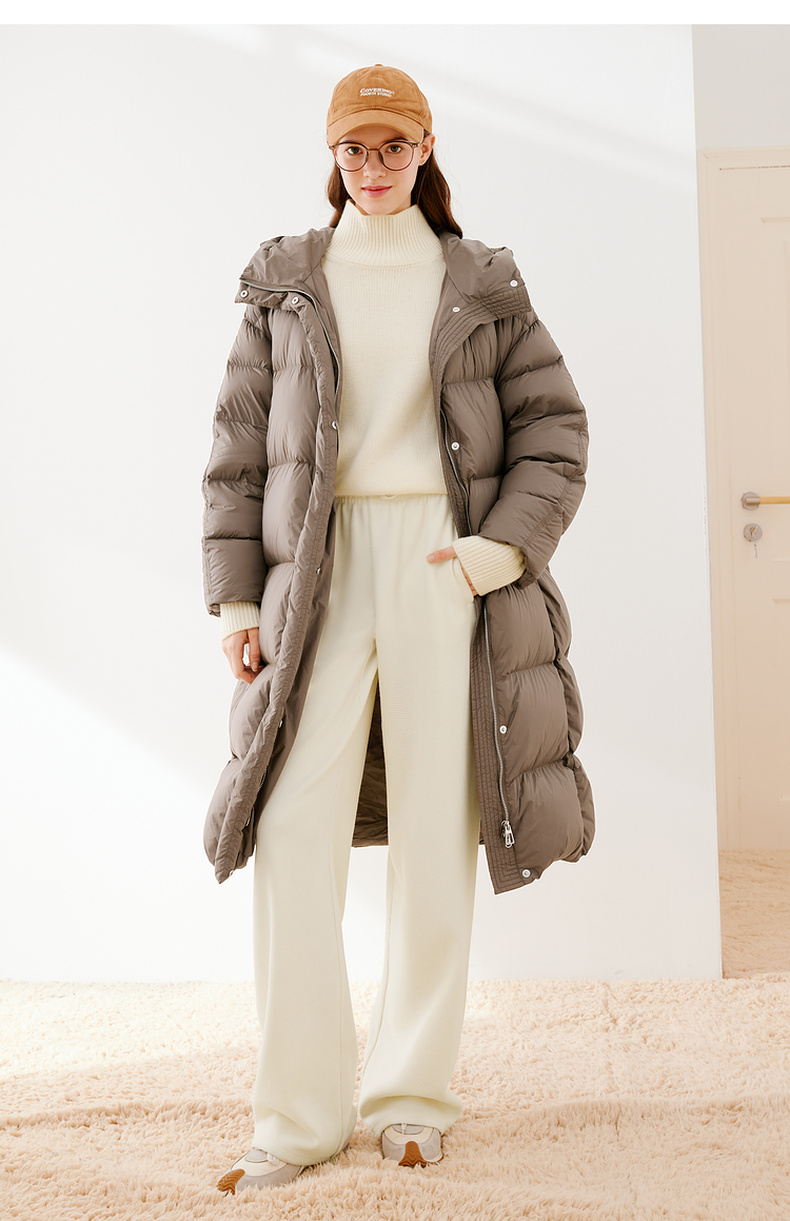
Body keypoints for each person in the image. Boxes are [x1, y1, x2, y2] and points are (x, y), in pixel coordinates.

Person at [201, 63, 594, 1194]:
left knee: (436, 827)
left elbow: (555, 429)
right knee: (291, 826)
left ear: (425, 149)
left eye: (392, 147)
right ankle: (296, 1115)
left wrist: (497, 552)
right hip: (317, 570)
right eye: (353, 149)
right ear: (332, 156)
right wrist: (239, 598)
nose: (372, 168)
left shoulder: (482, 280)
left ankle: (413, 1098)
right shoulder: (286, 281)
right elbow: (237, 450)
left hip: (440, 559)